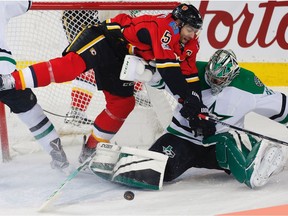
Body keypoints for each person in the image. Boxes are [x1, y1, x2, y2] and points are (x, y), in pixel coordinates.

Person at [0, 4, 215, 164]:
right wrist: (187, 100)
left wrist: (198, 106)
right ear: (178, 23)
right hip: (106, 38)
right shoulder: (166, 28)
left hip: (123, 56)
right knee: (71, 67)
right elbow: (169, 71)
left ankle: (91, 148)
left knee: (122, 104)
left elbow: (190, 76)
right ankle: (8, 80)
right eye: (189, 29)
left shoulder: (190, 42)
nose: (193, 34)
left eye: (195, 30)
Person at [88, 49, 288, 190]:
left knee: (231, 143)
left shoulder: (248, 85)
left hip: (217, 144)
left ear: (231, 75)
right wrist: (141, 71)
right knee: (157, 171)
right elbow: (161, 78)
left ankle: (259, 165)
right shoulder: (193, 72)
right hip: (181, 139)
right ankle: (115, 161)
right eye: (211, 76)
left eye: (219, 79)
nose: (213, 81)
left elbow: (281, 106)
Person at [0, 1, 69, 170]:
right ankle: (58, 156)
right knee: (31, 113)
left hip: (4, 69)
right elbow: (24, 3)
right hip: (4, 70)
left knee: (30, 112)